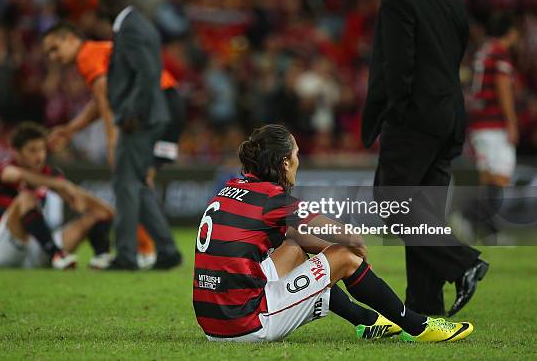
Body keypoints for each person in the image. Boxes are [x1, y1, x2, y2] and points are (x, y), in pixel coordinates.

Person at [193, 124, 473, 342]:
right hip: (245, 325)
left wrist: (329, 256)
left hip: (212, 322)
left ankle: (366, 320)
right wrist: (354, 253)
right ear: (285, 163)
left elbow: (299, 238)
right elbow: (346, 236)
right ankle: (417, 326)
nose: (298, 161)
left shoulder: (230, 188)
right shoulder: (273, 199)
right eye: (296, 154)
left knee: (295, 248)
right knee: (343, 255)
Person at [361, 0, 488, 317]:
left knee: (391, 202)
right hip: (450, 115)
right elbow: (454, 58)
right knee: (424, 210)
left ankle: (462, 261)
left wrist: (390, 114)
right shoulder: (452, 0)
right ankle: (424, 308)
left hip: (414, 117)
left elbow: (396, 64)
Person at [42, 22, 185, 267]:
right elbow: (101, 101)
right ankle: (162, 250)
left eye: (55, 49)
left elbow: (104, 99)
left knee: (129, 180)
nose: (54, 57)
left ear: (71, 38)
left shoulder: (87, 55)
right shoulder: (101, 52)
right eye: (49, 54)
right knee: (139, 180)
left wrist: (113, 143)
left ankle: (135, 253)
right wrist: (71, 129)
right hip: (168, 103)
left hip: (155, 106)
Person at [97, 0, 182, 270]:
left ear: (111, 2)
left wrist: (133, 112)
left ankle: (125, 254)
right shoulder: (139, 22)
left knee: (125, 184)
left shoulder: (130, 26)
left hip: (140, 118)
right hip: (148, 115)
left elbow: (147, 73)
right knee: (137, 185)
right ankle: (168, 250)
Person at [0, 122, 115, 269]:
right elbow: (14, 175)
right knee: (26, 197)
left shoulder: (49, 174)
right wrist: (60, 184)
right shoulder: (6, 168)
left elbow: (77, 199)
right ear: (17, 152)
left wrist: (105, 211)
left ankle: (101, 258)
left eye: (42, 149)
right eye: (32, 150)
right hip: (5, 250)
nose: (39, 155)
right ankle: (56, 254)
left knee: (97, 214)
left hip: (35, 247)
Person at [459, 14, 519, 240]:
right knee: (501, 178)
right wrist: (511, 122)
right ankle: (471, 217)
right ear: (510, 32)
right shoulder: (500, 54)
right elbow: (502, 88)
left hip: (479, 124)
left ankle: (483, 228)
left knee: (487, 180)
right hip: (494, 125)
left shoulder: (482, 52)